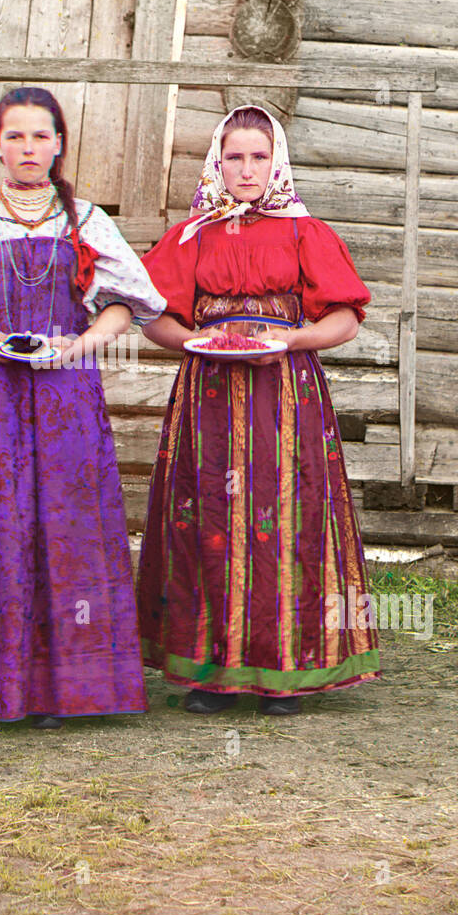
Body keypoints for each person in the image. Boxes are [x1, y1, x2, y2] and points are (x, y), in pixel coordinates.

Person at [0, 87, 167, 729]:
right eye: (15, 136)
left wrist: (83, 344)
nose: (28, 148)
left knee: (67, 524)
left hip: (66, 394)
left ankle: (67, 691)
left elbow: (124, 303)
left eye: (40, 136)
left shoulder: (88, 223)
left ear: (59, 144)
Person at [137, 104, 380, 716]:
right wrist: (193, 342)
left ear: (278, 162)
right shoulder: (193, 234)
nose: (247, 170)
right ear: (218, 162)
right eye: (235, 157)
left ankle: (284, 670)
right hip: (210, 394)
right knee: (209, 515)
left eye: (259, 156)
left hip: (284, 395)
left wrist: (292, 340)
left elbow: (346, 318)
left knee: (285, 516)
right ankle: (209, 671)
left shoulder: (305, 232)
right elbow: (154, 317)